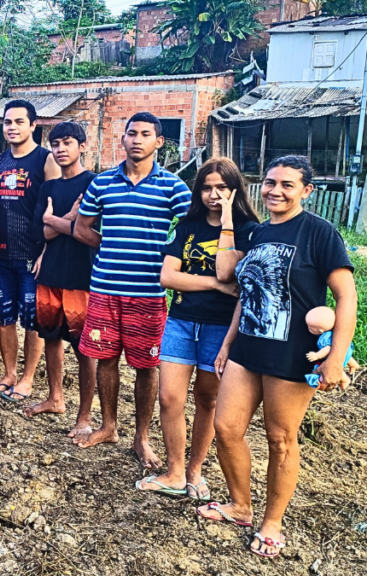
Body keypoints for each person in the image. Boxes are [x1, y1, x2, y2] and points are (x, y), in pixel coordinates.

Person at [198, 156, 356, 559]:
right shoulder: (258, 232)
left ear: (307, 190)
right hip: (248, 346)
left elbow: (346, 295)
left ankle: (272, 522)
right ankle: (240, 505)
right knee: (227, 427)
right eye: (270, 182)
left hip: (292, 353)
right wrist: (229, 343)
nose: (275, 191)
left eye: (287, 184)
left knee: (281, 439)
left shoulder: (319, 233)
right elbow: (246, 291)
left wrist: (335, 357)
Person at [73, 112, 192, 468]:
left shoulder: (173, 186)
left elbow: (192, 232)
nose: (137, 139)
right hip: (105, 289)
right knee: (105, 358)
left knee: (146, 365)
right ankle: (109, 426)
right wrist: (110, 249)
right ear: (121, 140)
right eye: (131, 133)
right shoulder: (103, 183)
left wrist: (167, 259)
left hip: (149, 294)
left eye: (145, 134)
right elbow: (82, 229)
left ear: (159, 142)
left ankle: (142, 437)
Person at [136, 158, 259, 499]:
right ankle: (175, 471)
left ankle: (195, 471)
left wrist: (229, 222)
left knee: (207, 399)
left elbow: (230, 271)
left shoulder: (250, 231)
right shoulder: (187, 226)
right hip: (180, 322)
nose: (214, 195)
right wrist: (216, 287)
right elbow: (168, 277)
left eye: (222, 187)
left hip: (221, 329)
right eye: (207, 187)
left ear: (235, 190)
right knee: (170, 397)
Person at [26, 121, 97, 438]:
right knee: (50, 337)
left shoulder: (95, 185)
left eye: (67, 142)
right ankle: (56, 398)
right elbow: (39, 233)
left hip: (83, 276)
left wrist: (54, 219)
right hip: (50, 272)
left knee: (85, 348)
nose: (60, 149)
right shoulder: (48, 188)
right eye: (55, 144)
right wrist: (68, 218)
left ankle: (84, 416)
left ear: (82, 146)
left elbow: (92, 237)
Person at [0, 99, 61, 401]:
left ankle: (28, 378)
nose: (12, 127)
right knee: (4, 316)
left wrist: (47, 251)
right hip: (1, 255)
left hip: (33, 256)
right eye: (8, 122)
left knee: (33, 320)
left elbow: (55, 208)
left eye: (20, 122)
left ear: (33, 125)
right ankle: (9, 373)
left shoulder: (46, 160)